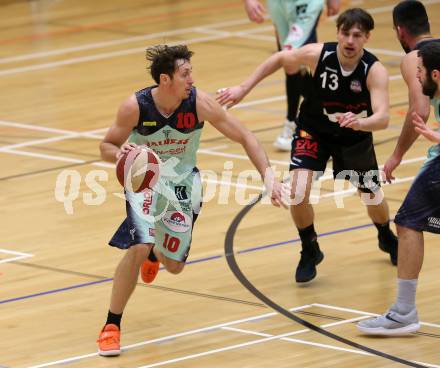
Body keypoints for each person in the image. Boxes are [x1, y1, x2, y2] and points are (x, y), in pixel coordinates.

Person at [96, 44, 285, 356]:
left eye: (191, 73)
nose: (192, 80)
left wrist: (270, 178)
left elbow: (246, 136)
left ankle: (159, 252)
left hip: (183, 185)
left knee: (174, 266)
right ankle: (111, 325)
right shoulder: (135, 106)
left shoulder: (199, 103)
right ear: (165, 79)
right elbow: (106, 145)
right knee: (138, 245)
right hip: (145, 183)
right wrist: (120, 154)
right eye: (185, 74)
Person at [217, 8, 398, 284]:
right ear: (337, 33)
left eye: (357, 35)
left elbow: (383, 118)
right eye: (345, 33)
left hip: (353, 135)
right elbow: (280, 57)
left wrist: (361, 124)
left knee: (370, 193)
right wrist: (243, 88)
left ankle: (385, 234)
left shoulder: (374, 71)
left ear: (367, 38)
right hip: (313, 130)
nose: (350, 40)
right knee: (298, 193)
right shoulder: (318, 54)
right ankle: (310, 247)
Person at [357, 5, 440, 336]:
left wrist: (395, 156)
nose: (417, 75)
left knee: (407, 222)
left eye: (422, 72)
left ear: (399, 31)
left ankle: (404, 312)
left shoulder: (417, 57)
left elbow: (418, 108)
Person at [243, 0, 341, 151]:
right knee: (291, 65)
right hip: (278, 4)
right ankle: (328, 114)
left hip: (306, 3)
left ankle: (299, 124)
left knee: (290, 57)